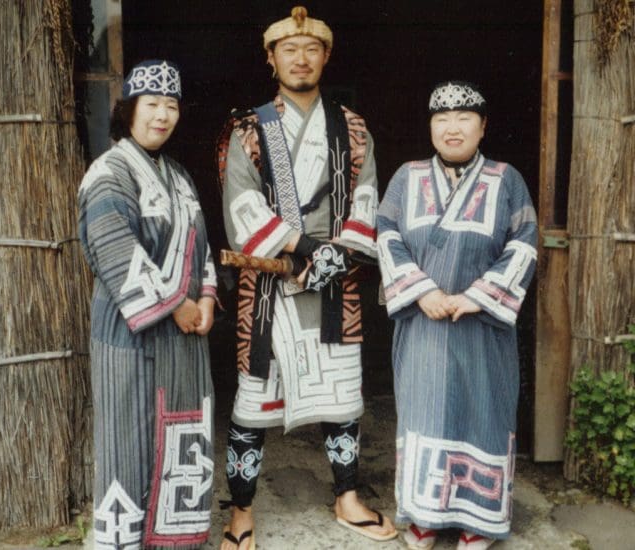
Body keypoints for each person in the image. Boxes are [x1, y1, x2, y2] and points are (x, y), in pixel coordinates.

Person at [217, 6, 397, 549]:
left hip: (336, 282)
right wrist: (306, 246)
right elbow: (241, 204)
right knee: (253, 398)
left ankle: (346, 496)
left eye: (311, 49)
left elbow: (367, 197)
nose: (301, 58)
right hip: (269, 285)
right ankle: (241, 511)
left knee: (341, 392)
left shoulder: (354, 126)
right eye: (289, 50)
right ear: (270, 58)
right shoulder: (248, 128)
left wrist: (337, 254)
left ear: (326, 57)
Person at [376, 81, 537, 550]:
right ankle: (424, 518)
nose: (452, 128)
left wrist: (477, 297)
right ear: (430, 127)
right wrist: (421, 290)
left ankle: (478, 522)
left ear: (482, 127)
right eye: (442, 119)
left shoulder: (507, 179)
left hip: (482, 327)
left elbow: (525, 241)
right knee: (424, 413)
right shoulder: (406, 177)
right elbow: (385, 234)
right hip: (423, 323)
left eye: (464, 118)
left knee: (482, 413)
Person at [78, 60, 217, 549]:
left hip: (184, 343)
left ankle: (173, 539)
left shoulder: (179, 176)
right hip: (129, 337)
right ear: (130, 110)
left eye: (171, 105)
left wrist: (205, 298)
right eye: (152, 104)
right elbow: (114, 247)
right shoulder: (109, 173)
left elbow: (201, 244)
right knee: (129, 445)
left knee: (182, 441)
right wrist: (177, 306)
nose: (162, 115)